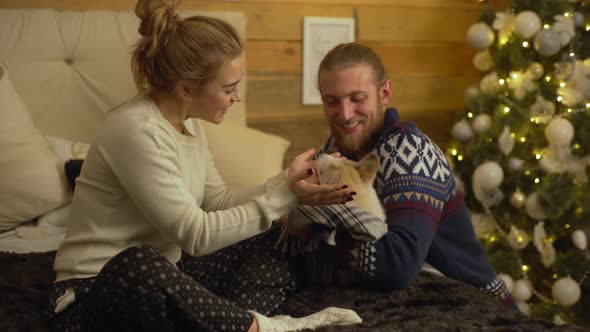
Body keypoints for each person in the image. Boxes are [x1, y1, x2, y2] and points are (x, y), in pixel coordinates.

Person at [45, 1, 362, 331]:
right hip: (93, 294)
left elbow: (217, 202)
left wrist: (288, 182)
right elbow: (196, 235)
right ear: (186, 88)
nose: (236, 97)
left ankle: (230, 322)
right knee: (139, 263)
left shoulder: (190, 125)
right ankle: (263, 327)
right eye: (228, 88)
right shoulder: (135, 131)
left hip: (170, 278)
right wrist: (286, 198)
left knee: (271, 234)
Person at [290, 42, 514, 307]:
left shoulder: (411, 152)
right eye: (332, 101)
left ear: (384, 93)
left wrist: (310, 244)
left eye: (357, 98)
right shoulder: (334, 150)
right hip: (400, 299)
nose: (345, 114)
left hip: (471, 299)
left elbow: (398, 265)